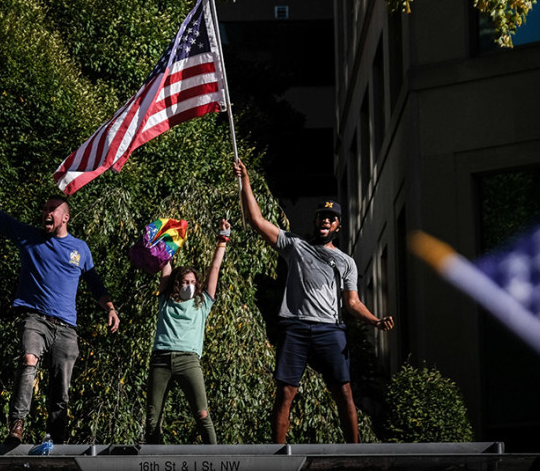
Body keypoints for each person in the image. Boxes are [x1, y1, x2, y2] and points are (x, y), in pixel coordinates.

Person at [233, 160, 394, 444]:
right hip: (295, 328)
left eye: (330, 219)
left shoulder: (346, 262)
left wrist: (375, 320)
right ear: (315, 221)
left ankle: (355, 451)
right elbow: (256, 220)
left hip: (330, 330)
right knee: (285, 392)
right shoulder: (294, 246)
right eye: (321, 217)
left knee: (343, 392)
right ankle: (278, 454)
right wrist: (245, 179)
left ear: (337, 227)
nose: (324, 221)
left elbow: (352, 303)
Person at [0, 167, 120, 444]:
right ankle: (17, 425)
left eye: (53, 209)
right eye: (45, 208)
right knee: (28, 360)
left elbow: (95, 283)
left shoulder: (80, 249)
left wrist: (110, 308)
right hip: (35, 319)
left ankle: (56, 436)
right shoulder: (30, 238)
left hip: (67, 328)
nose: (47, 212)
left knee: (61, 387)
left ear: (65, 217)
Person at [144, 218, 231, 445]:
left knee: (202, 413)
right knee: (153, 418)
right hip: (161, 359)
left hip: (189, 360)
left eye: (192, 281)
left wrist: (223, 239)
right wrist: (165, 235)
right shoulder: (165, 300)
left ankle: (215, 457)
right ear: (176, 283)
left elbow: (215, 268)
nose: (189, 285)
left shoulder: (202, 303)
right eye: (184, 281)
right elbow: (165, 263)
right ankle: (154, 460)